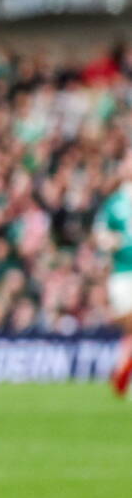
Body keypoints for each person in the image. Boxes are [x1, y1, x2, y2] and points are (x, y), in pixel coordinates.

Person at [96, 155, 132, 397]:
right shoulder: (114, 202)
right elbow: (100, 235)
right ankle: (122, 373)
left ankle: (122, 374)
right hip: (123, 274)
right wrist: (113, 242)